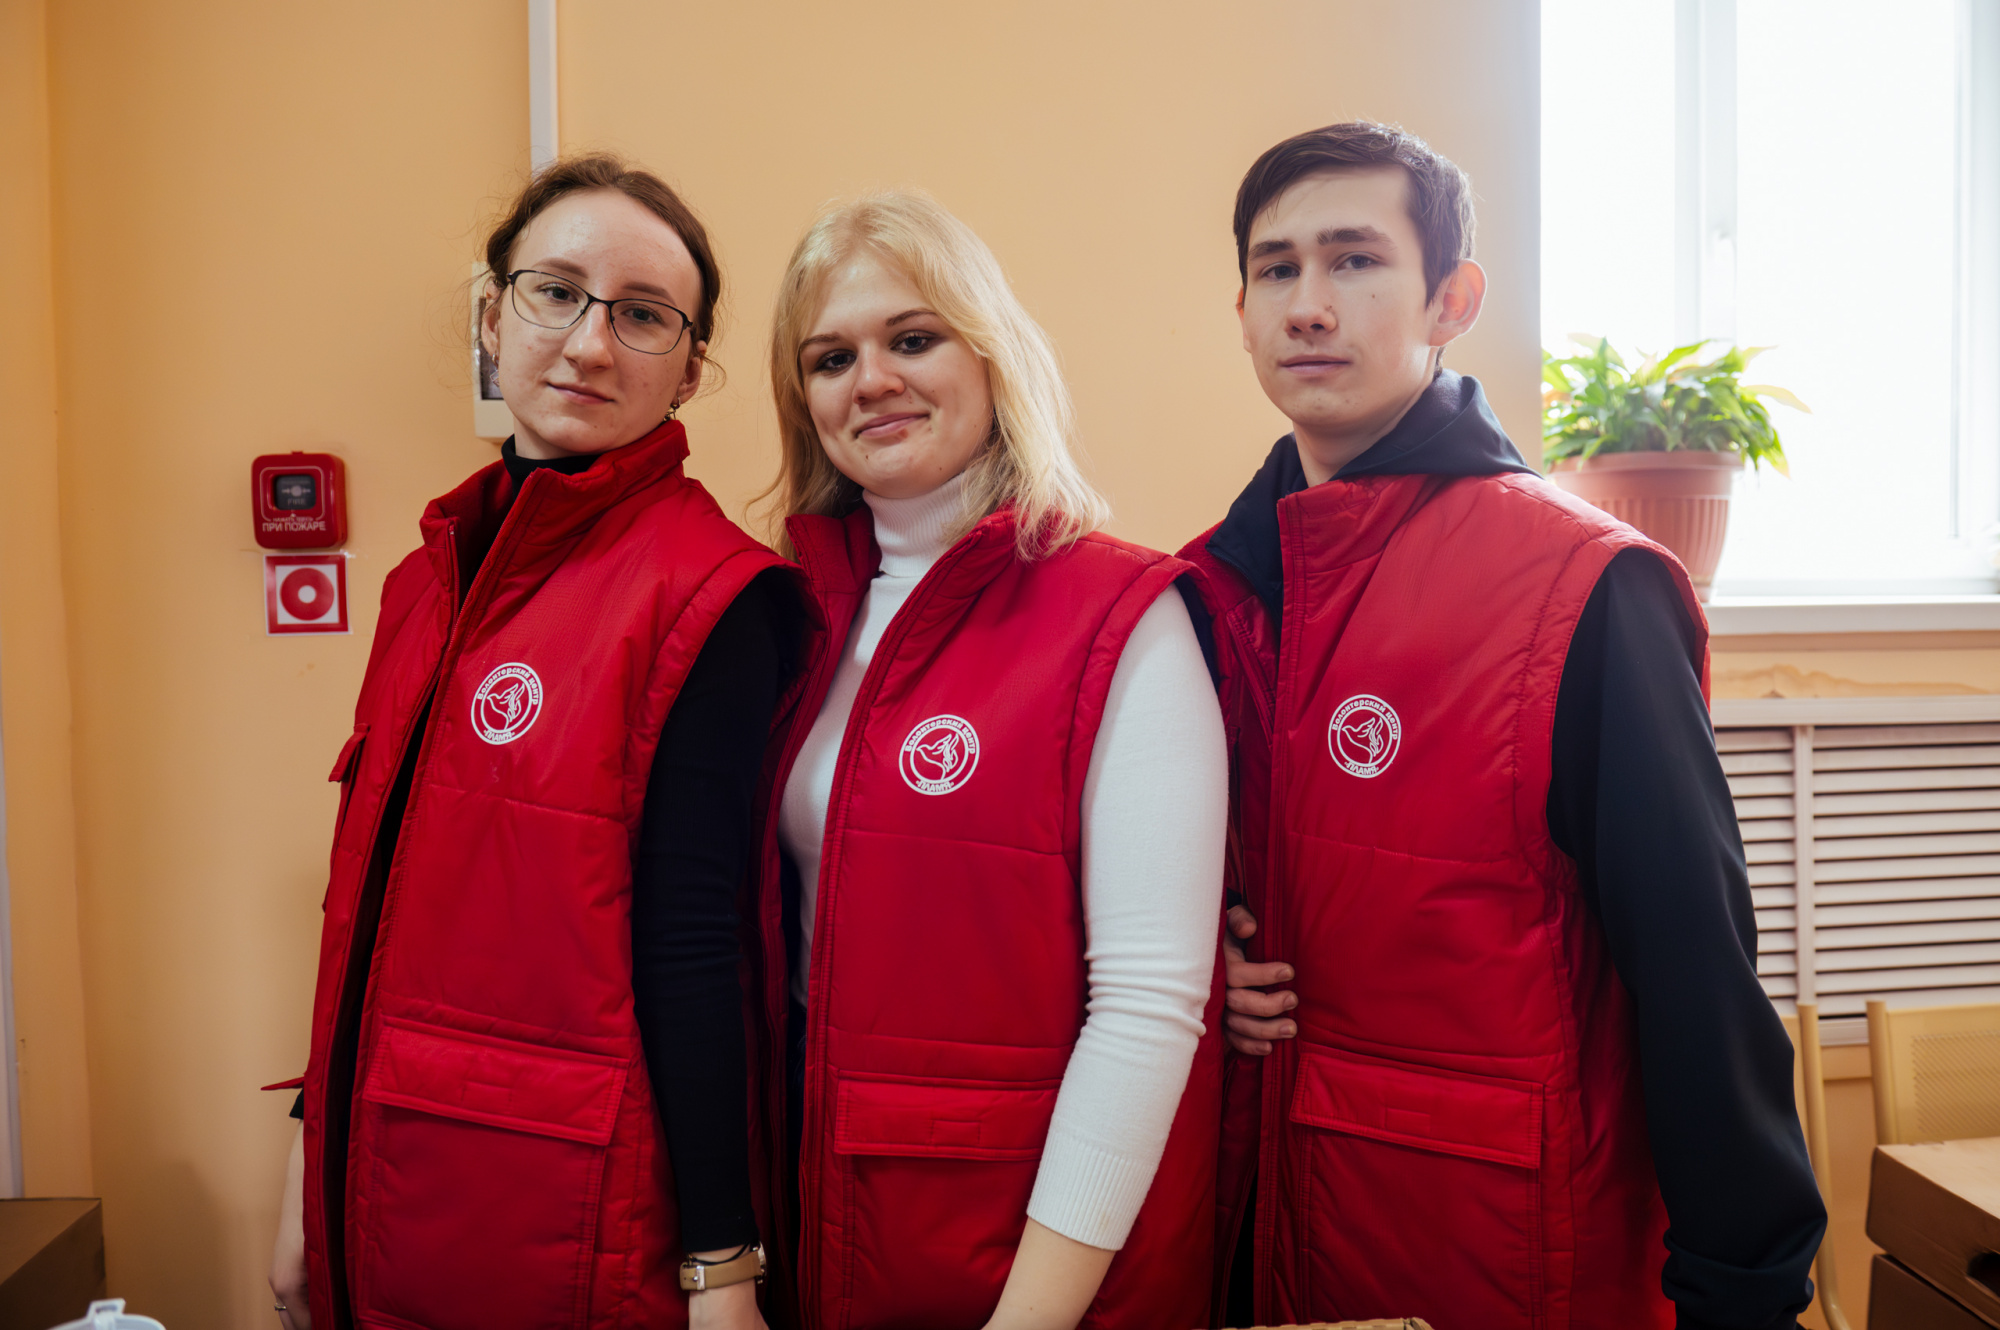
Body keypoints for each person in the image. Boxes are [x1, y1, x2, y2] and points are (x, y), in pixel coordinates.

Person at [1182, 123, 1829, 1329]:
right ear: (1242, 309)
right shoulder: (1198, 591)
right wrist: (1190, 957)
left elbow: (1695, 972)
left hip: (1497, 1254)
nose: (1308, 304)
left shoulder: (1586, 588)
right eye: (1277, 269)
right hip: (1241, 1236)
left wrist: (1743, 1296)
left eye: (1354, 260)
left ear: (1451, 299)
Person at [267, 154, 798, 1330]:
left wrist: (721, 1268)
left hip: (573, 1218)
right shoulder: (422, 582)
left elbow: (695, 948)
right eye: (555, 291)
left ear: (690, 370)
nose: (589, 344)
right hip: (377, 1187)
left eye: (643, 315)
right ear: (491, 315)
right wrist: (305, 1163)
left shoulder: (711, 597)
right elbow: (363, 907)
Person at [756, 192, 1227, 1330]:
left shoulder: (1124, 613)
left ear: (990, 355)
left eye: (912, 338)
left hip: (1036, 1258)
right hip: (825, 1218)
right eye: (830, 358)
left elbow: (1146, 1009)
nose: (871, 380)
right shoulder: (788, 617)